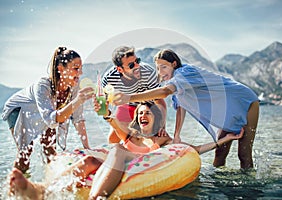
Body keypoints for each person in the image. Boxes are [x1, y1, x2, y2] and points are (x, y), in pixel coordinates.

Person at [8, 101, 244, 199]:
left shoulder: (162, 139)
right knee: (91, 160)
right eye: (140, 113)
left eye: (147, 113)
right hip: (114, 162)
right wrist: (105, 112)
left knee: (119, 152)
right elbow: (112, 122)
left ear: (156, 118)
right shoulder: (130, 135)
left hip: (139, 163)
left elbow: (193, 149)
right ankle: (40, 190)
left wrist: (225, 140)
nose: (143, 115)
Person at [112, 49, 260, 169]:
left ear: (174, 64)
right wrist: (177, 135)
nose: (160, 71)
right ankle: (218, 189)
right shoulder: (176, 84)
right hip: (227, 111)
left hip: (243, 101)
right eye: (158, 68)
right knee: (220, 153)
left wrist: (129, 97)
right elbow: (180, 108)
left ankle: (248, 191)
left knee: (244, 154)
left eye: (164, 67)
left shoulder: (184, 73)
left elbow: (164, 92)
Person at [2, 47, 94, 174]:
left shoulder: (74, 85)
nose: (80, 73)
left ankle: (50, 183)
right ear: (61, 69)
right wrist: (77, 101)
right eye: (76, 68)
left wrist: (87, 148)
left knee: (51, 151)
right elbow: (51, 119)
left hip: (47, 113)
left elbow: (77, 118)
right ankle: (14, 187)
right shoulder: (43, 85)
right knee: (25, 154)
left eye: (80, 69)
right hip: (19, 110)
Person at [101, 46, 166, 143]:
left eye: (137, 61)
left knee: (157, 137)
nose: (137, 66)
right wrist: (103, 108)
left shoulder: (149, 73)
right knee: (113, 139)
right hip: (127, 106)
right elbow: (105, 103)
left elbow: (159, 100)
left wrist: (162, 127)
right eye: (131, 65)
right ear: (119, 69)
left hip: (148, 106)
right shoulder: (109, 79)